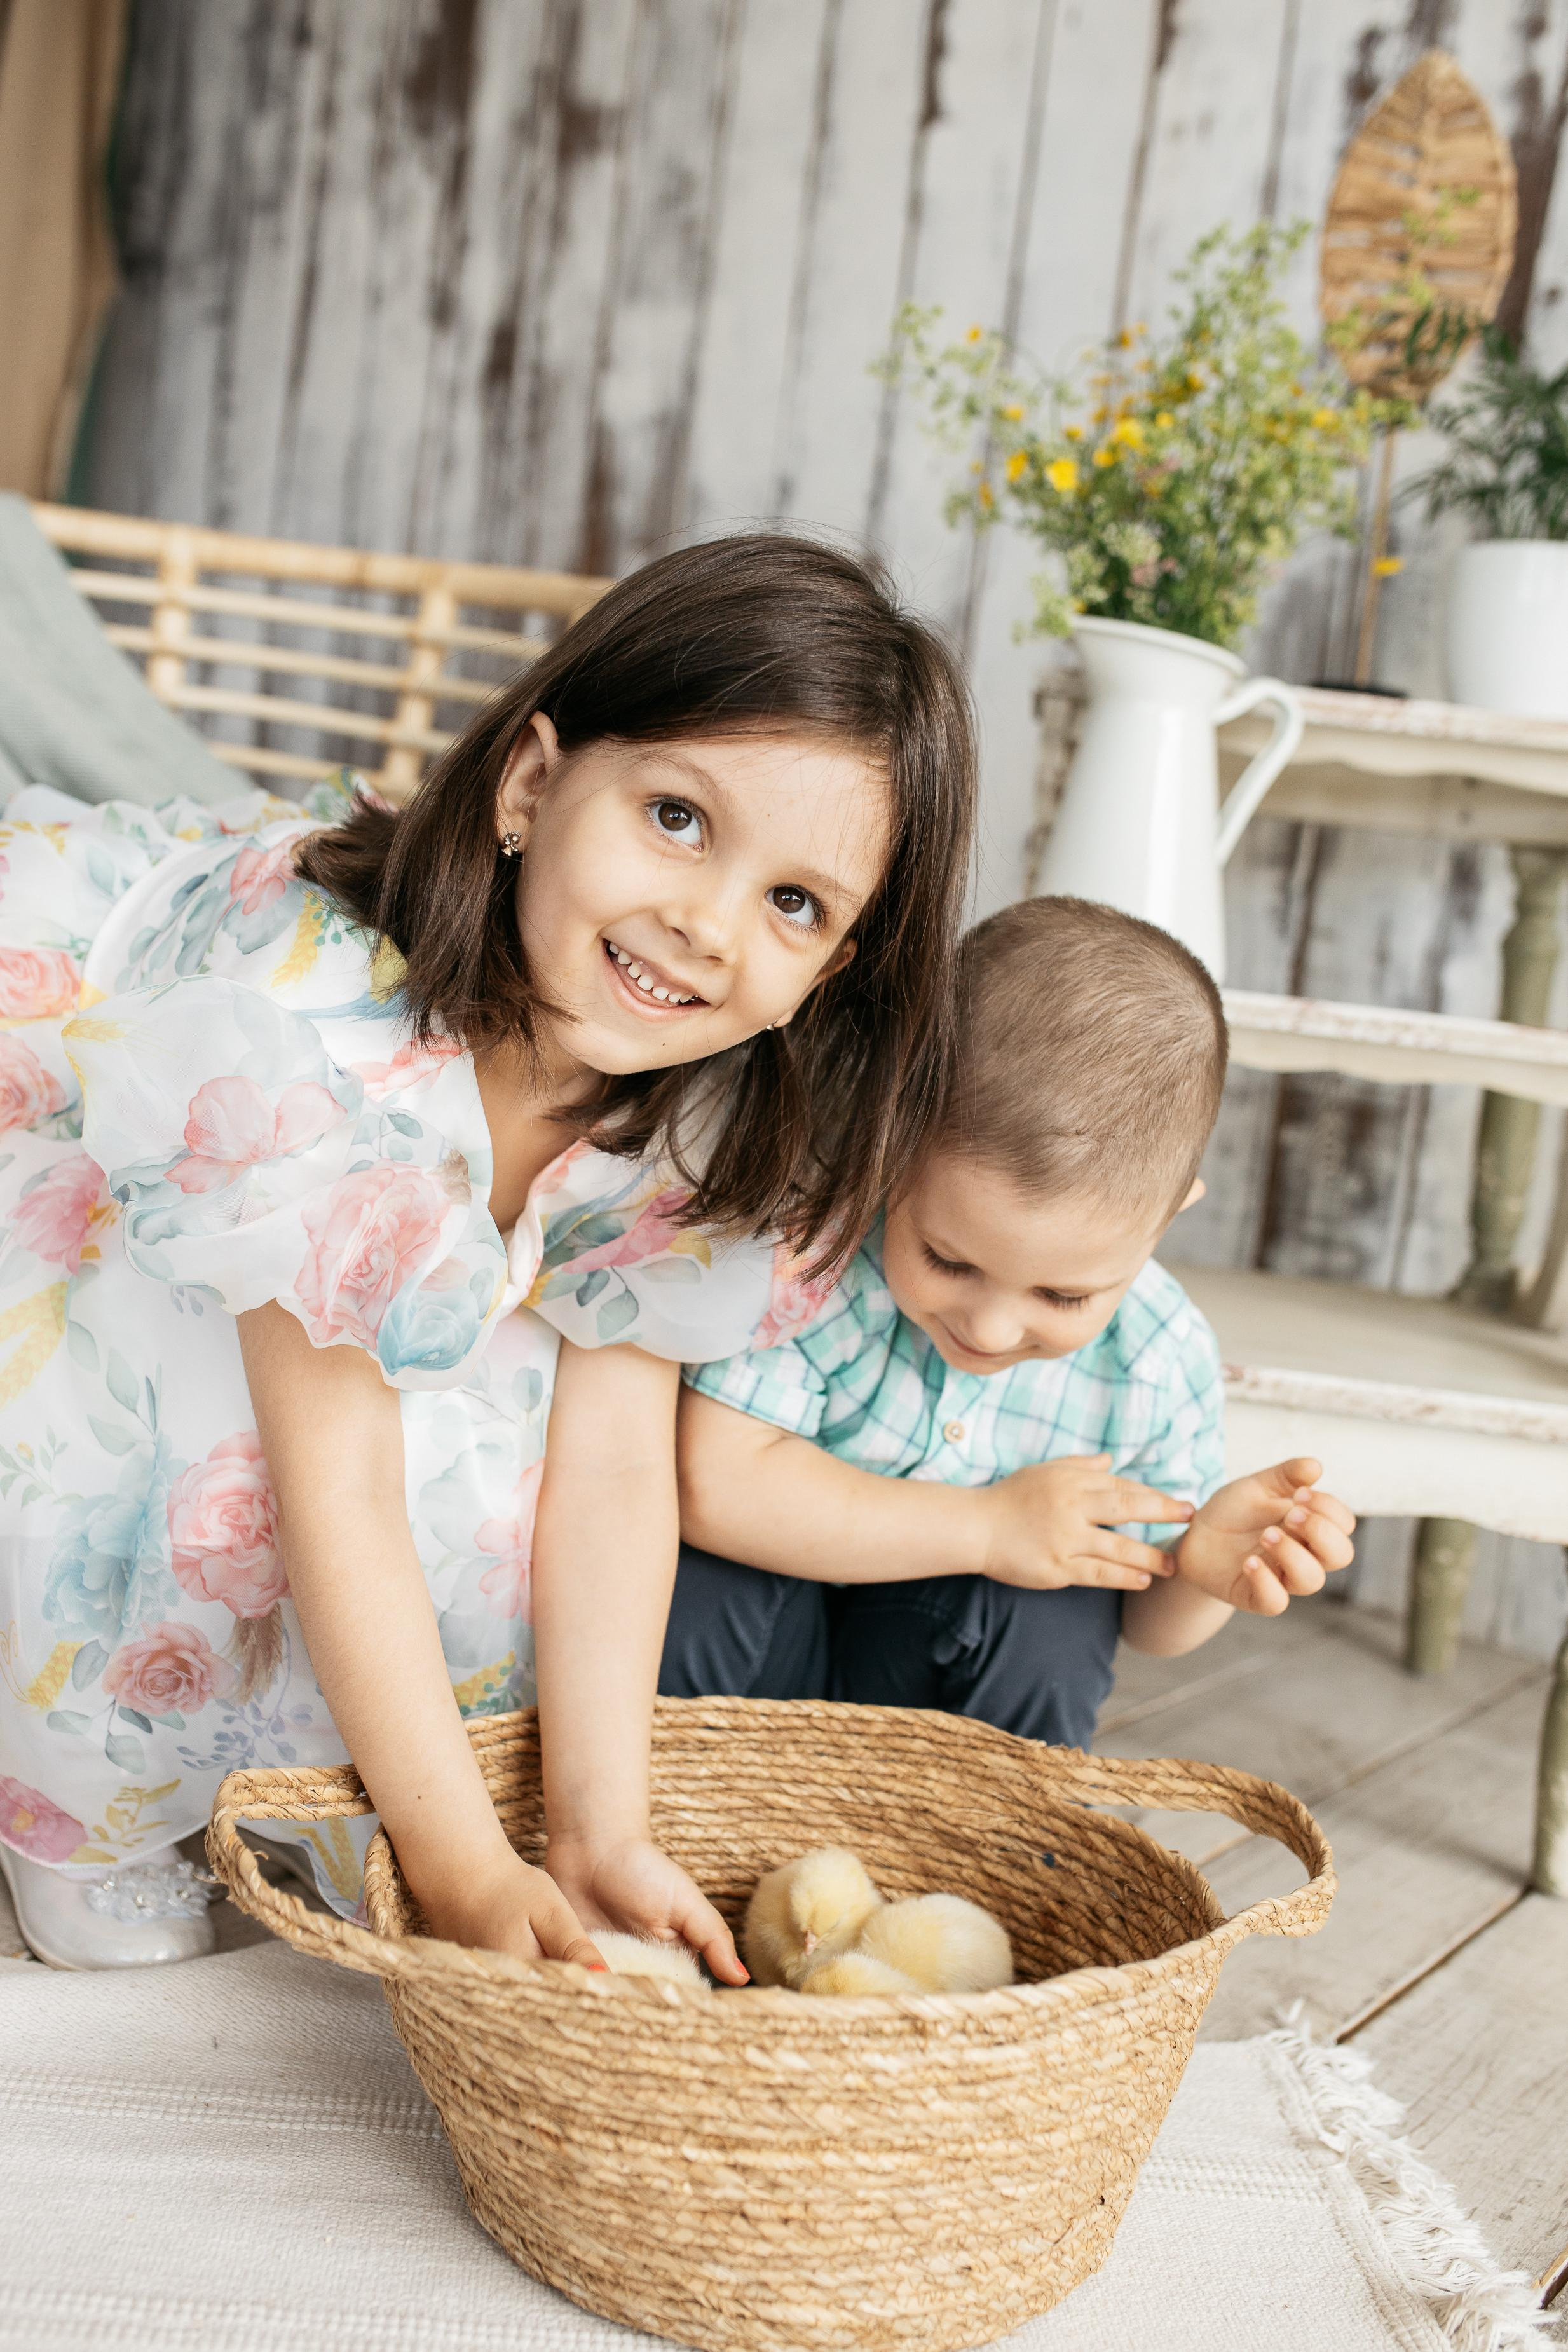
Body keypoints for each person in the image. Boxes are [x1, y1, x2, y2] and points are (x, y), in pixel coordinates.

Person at [0, 533, 976, 1973]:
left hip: (389, 1238)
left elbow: (617, 1473)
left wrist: (597, 1828)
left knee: (507, 1460)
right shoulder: (310, 1040)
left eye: (795, 904)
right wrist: (457, 1865)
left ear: (829, 970)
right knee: (232, 1457)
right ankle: (99, 1802)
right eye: (677, 817)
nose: (705, 925)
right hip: (113, 1172)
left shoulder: (693, 1108)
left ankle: (328, 1773)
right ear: (531, 784)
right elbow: (334, 1485)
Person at [669, 896, 1356, 1742]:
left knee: (1057, 1615)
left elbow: (1147, 1629)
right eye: (948, 1260)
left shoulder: (1156, 1360)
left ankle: (991, 1825)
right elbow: (714, 1486)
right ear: (893, 1145)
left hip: (931, 1720)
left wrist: (1203, 1572)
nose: (990, 1331)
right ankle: (672, 1796)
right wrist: (989, 1527)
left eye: (1062, 1297)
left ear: (1166, 1220)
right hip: (755, 1683)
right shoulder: (817, 1253)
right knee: (693, 1576)